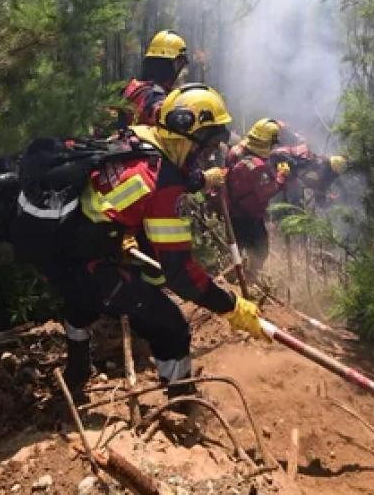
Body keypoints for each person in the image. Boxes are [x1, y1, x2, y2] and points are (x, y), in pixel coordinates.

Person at [43, 84, 268, 397]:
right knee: (172, 326)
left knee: (82, 306)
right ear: (186, 135)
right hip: (89, 265)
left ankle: (76, 372)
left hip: (68, 250)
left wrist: (117, 233)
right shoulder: (164, 186)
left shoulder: (139, 137)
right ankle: (180, 402)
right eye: (204, 147)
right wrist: (231, 308)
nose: (204, 156)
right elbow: (180, 274)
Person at [225, 118, 292, 280]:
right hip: (250, 215)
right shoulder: (257, 166)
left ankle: (235, 276)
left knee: (237, 248)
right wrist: (281, 178)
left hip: (232, 212)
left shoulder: (235, 151)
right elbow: (265, 192)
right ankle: (249, 278)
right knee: (261, 249)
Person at [117, 30, 189, 128]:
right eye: (181, 64)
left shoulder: (134, 89)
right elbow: (156, 108)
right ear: (171, 67)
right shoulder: (154, 95)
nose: (185, 72)